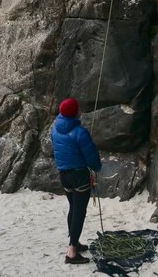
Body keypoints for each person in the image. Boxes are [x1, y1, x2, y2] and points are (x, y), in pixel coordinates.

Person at [52, 97, 102, 265]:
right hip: (79, 176)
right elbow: (91, 157)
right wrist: (97, 167)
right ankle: (72, 252)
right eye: (78, 109)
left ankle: (75, 242)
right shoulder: (80, 133)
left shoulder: (55, 129)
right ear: (74, 113)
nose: (80, 110)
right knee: (80, 211)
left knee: (73, 208)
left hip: (64, 176)